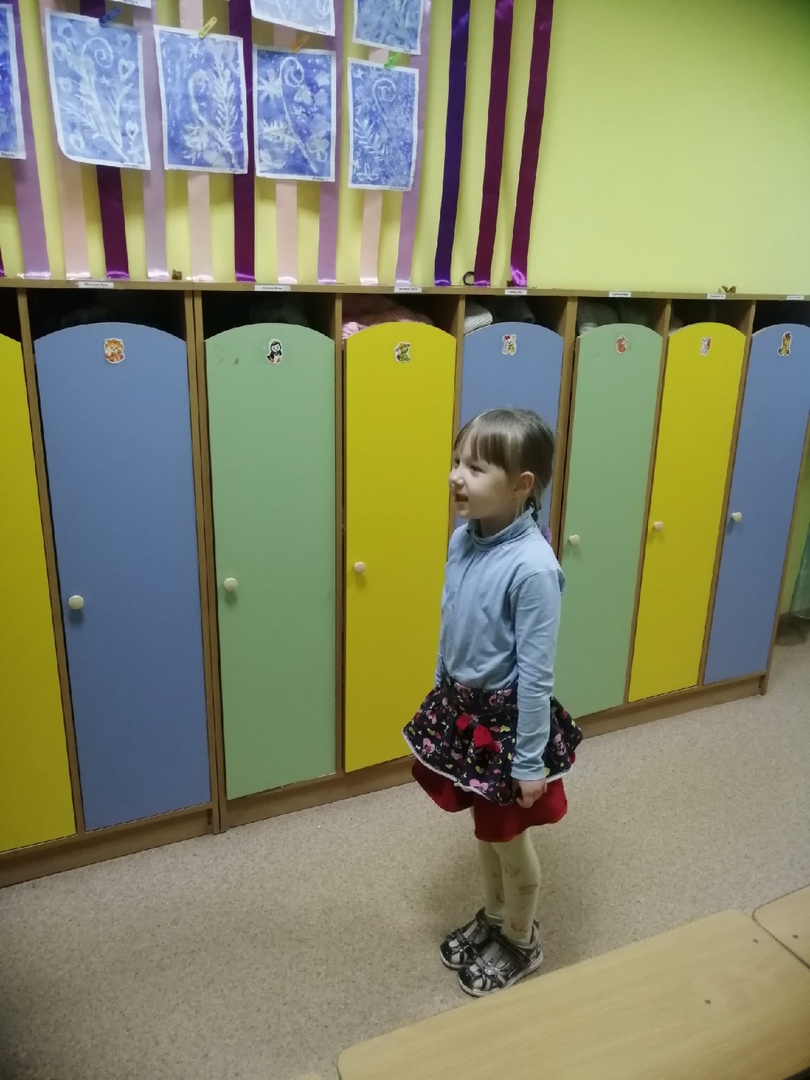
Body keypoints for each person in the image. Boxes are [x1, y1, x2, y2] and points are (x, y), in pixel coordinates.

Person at [403, 407, 582, 996]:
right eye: (457, 461)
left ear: (522, 484)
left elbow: (536, 675)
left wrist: (529, 761)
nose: (457, 476)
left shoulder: (533, 569)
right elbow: (452, 619)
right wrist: (440, 687)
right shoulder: (464, 539)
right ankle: (497, 916)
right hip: (462, 713)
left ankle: (522, 940)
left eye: (476, 468)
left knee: (509, 836)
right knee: (485, 830)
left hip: (507, 731)